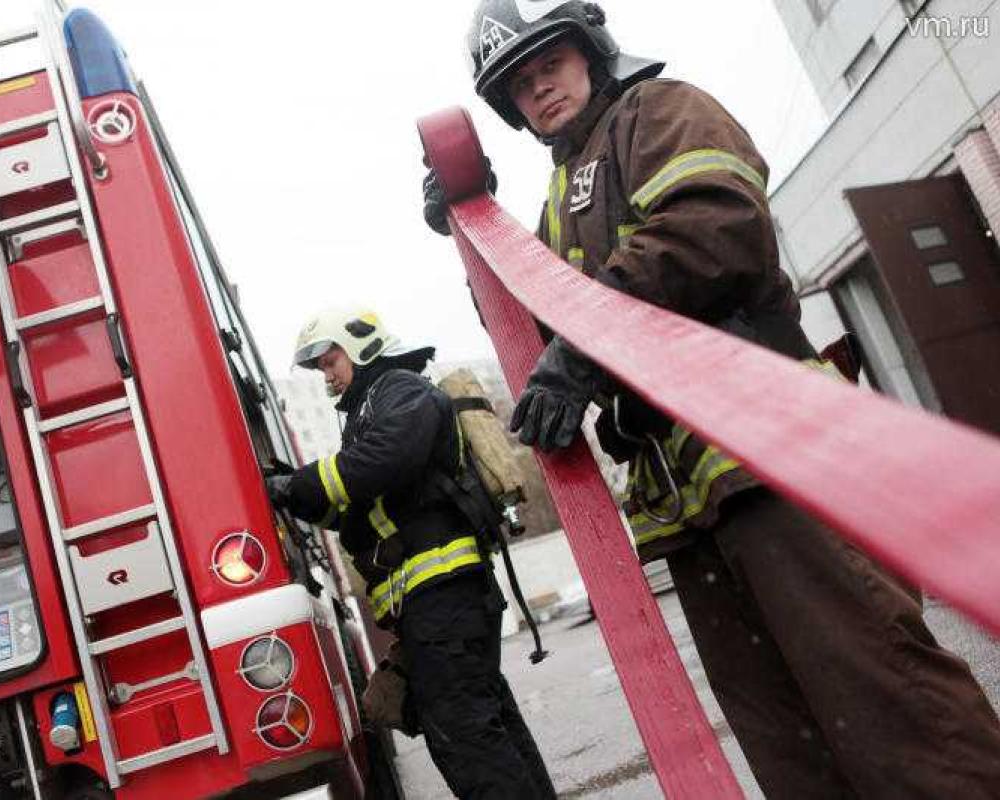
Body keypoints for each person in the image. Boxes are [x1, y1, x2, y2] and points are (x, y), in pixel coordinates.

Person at [423, 2, 1000, 797]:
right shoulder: (561, 199)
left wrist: (582, 350)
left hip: (772, 457)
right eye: (519, 85)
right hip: (685, 507)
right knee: (792, 749)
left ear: (589, 49)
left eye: (548, 64)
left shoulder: (658, 111)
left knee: (892, 711)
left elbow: (713, 226)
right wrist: (476, 232)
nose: (538, 90)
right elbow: (537, 335)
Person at [266, 307, 556, 799]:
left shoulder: (401, 390)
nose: (326, 375)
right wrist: (297, 493)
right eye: (318, 369)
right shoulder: (370, 410)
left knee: (466, 739)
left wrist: (304, 481)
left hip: (444, 599)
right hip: (435, 605)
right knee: (484, 728)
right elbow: (361, 515)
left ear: (360, 345)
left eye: (330, 360)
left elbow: (383, 460)